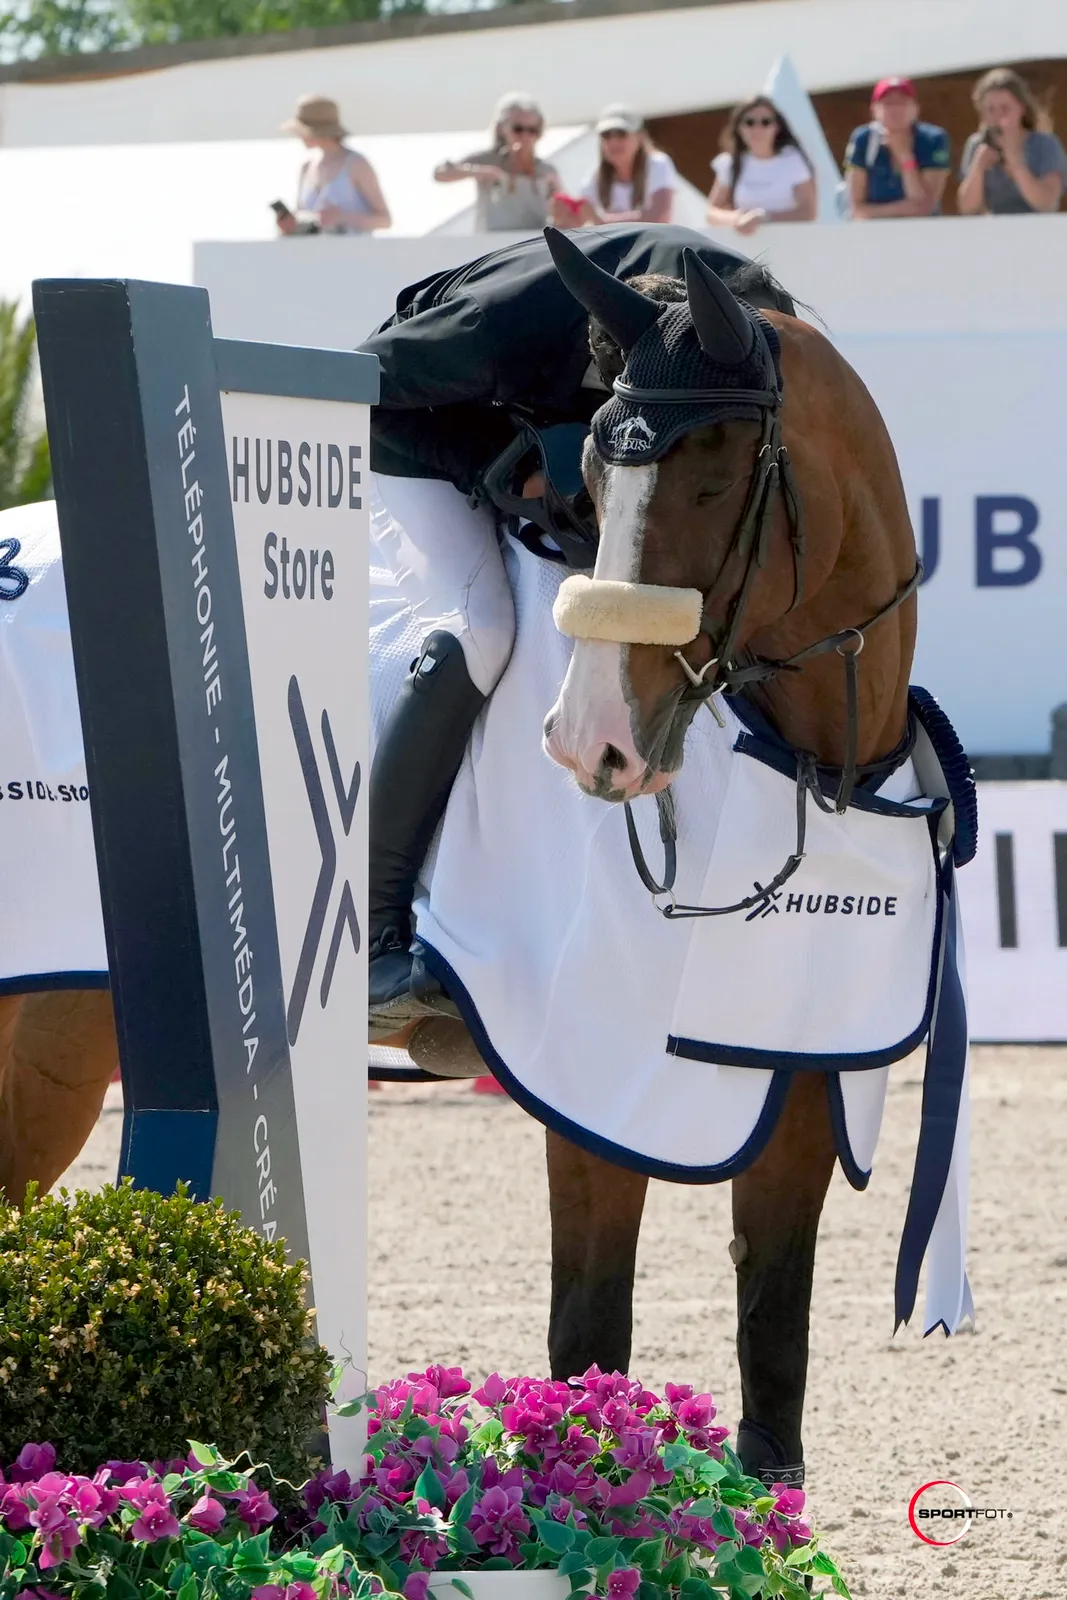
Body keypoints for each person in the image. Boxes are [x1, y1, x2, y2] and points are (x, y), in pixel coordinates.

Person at [359, 225, 795, 1033]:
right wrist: (505, 465)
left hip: (606, 455)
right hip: (410, 434)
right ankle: (377, 933)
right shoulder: (498, 328)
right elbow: (358, 385)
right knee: (483, 628)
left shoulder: (750, 325)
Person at [434, 93, 560, 231]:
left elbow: (566, 213)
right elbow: (440, 173)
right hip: (494, 245)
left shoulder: (545, 170)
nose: (525, 136)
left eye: (532, 130)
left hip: (533, 244)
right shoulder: (489, 160)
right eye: (518, 129)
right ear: (501, 128)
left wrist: (557, 194)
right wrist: (482, 172)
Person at [957, 67, 1067, 216]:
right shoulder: (976, 144)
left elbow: (1047, 203)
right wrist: (978, 168)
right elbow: (967, 208)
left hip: (1038, 230)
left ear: (1021, 108)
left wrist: (1016, 165)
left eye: (1005, 108)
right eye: (990, 109)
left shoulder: (1045, 144)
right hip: (996, 231)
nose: (997, 116)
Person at [279, 94, 391, 234]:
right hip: (312, 254)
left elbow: (385, 220)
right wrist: (290, 224)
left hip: (354, 253)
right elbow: (302, 218)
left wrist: (342, 217)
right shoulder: (306, 167)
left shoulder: (357, 165)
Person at [705, 96, 816, 235]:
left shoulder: (792, 161)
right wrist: (737, 218)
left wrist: (764, 218)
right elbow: (711, 212)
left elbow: (808, 211)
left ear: (776, 127)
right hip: (745, 247)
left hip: (789, 243)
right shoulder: (730, 164)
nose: (757, 128)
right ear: (739, 128)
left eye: (765, 122)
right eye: (750, 122)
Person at [550, 107, 677, 228]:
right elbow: (583, 222)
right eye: (606, 135)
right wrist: (565, 217)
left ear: (640, 136)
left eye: (621, 134)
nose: (613, 142)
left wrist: (601, 221)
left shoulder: (658, 164)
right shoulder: (595, 177)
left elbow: (660, 217)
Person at [844, 77, 950, 219]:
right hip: (875, 234)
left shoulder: (933, 139)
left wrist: (905, 157)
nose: (895, 109)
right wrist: (902, 208)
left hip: (921, 233)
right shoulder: (863, 139)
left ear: (915, 108)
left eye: (902, 102)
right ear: (874, 110)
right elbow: (857, 209)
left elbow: (925, 207)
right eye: (888, 103)